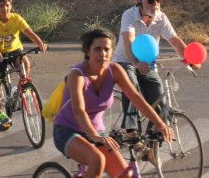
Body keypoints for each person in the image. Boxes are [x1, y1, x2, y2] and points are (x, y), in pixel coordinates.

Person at [53, 29, 173, 178]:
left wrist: (160, 124)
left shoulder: (114, 70)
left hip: (98, 132)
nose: (103, 54)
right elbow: (79, 111)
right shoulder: (77, 75)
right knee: (97, 160)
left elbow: (136, 99)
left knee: (125, 175)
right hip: (68, 131)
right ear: (87, 51)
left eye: (107, 49)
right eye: (97, 49)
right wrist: (96, 136)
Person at [112, 0, 201, 135]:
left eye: (159, 0)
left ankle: (152, 141)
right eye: (151, 0)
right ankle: (131, 130)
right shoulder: (129, 15)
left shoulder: (161, 17)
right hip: (125, 60)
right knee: (131, 85)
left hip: (146, 62)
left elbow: (175, 40)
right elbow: (128, 41)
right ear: (139, 1)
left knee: (159, 95)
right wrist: (136, 62)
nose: (156, 4)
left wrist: (191, 59)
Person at [0, 0, 47, 128]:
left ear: (11, 5)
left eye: (7, 5)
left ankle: (23, 87)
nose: (5, 8)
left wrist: (40, 44)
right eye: (1, 5)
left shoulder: (17, 18)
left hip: (14, 50)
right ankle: (0, 113)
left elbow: (29, 32)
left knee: (25, 62)